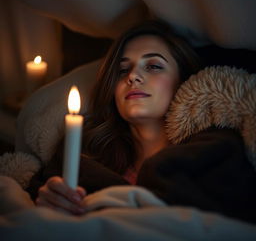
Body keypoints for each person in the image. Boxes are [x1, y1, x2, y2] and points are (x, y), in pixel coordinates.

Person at [33, 20, 256, 223]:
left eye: (153, 66)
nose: (133, 76)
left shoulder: (215, 153)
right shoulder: (82, 156)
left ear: (184, 79)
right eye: (122, 70)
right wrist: (46, 201)